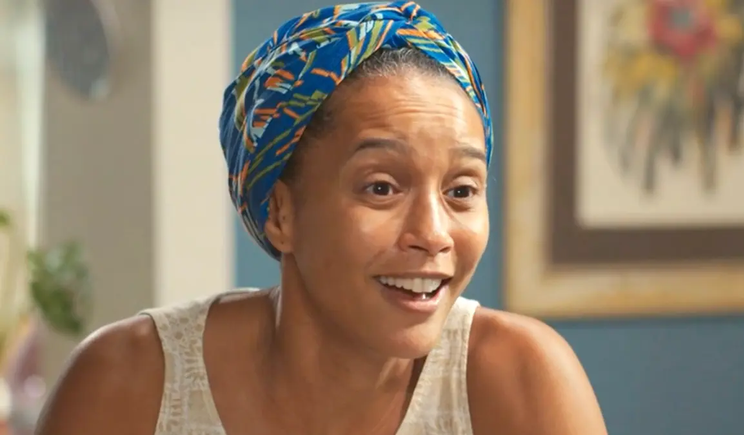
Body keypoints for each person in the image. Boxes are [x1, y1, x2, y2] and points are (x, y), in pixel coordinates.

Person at [34, 2, 607, 434]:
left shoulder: (522, 383)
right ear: (282, 213)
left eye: (461, 190)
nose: (433, 234)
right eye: (381, 188)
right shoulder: (128, 386)